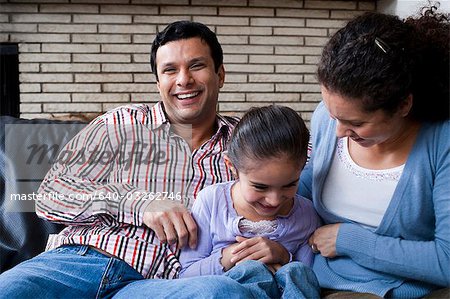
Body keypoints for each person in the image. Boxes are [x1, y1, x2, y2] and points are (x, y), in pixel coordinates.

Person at [0, 20, 263, 298]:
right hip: (77, 263)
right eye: (170, 70)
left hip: (161, 283)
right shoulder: (120, 123)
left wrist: (290, 244)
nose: (183, 79)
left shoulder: (249, 141)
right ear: (158, 82)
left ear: (220, 75)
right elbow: (50, 196)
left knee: (219, 293)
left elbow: (304, 172)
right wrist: (138, 203)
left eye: (196, 66)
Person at [298, 6, 450, 299]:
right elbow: (303, 186)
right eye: (333, 115)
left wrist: (349, 240)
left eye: (356, 123)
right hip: (322, 279)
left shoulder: (441, 141)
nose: (339, 132)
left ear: (403, 105)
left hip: (412, 290)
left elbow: (446, 260)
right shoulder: (325, 120)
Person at [178, 105, 321, 298]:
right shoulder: (211, 201)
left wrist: (284, 256)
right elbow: (186, 275)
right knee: (251, 271)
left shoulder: (306, 213)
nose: (274, 200)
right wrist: (228, 257)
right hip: (231, 290)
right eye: (260, 187)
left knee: (297, 272)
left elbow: (310, 277)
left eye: (289, 185)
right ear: (232, 167)